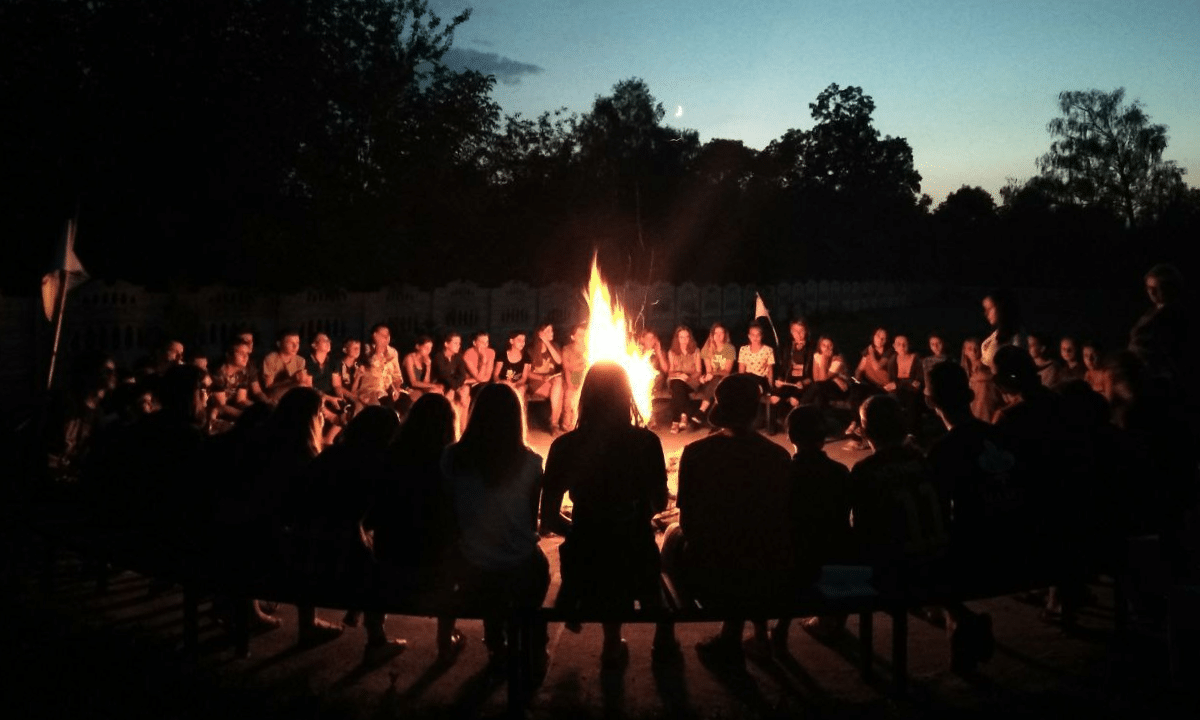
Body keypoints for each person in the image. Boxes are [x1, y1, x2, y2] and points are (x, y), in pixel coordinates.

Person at [540, 361, 674, 668]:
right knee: (648, 546)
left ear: (585, 397)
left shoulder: (565, 445)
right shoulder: (646, 442)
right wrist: (631, 516)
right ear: (626, 395)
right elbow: (658, 502)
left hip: (586, 558)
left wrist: (582, 529)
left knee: (600, 554)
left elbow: (548, 518)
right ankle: (664, 635)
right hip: (636, 554)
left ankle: (612, 642)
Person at [661, 374, 794, 666]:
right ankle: (755, 634)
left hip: (710, 573)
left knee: (672, 532)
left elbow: (690, 522)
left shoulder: (696, 453)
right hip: (766, 567)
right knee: (753, 537)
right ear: (753, 410)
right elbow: (782, 519)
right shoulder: (779, 456)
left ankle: (670, 633)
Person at [441, 384, 549, 674]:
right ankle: (533, 642)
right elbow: (530, 522)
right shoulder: (531, 462)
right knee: (537, 564)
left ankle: (495, 641)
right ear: (517, 418)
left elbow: (449, 512)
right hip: (519, 565)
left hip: (471, 561)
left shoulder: (451, 457)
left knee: (488, 562)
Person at [291, 406, 406, 657]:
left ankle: (308, 625)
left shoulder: (331, 456)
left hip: (306, 552)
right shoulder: (378, 465)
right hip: (342, 557)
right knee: (377, 559)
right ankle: (376, 640)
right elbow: (379, 516)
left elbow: (303, 501)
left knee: (322, 538)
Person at [363, 394, 463, 663]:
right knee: (453, 554)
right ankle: (444, 642)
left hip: (390, 566)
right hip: (435, 572)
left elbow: (371, 517)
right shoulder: (452, 462)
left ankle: (375, 638)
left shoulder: (391, 456)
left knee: (376, 554)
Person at [771, 406, 853, 649]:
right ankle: (830, 620)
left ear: (789, 436)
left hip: (794, 565)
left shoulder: (784, 473)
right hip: (833, 561)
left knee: (792, 545)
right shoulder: (840, 472)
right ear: (824, 437)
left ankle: (780, 629)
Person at [848, 395, 947, 593]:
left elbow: (862, 526)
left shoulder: (866, 469)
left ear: (865, 431)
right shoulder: (924, 460)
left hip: (893, 566)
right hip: (938, 557)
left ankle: (829, 619)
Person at [1129, 263, 1187, 382]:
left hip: (1159, 379)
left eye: (1157, 288)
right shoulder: (1152, 312)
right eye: (1149, 287)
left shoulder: (1175, 314)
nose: (1151, 292)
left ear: (1170, 288)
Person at [848, 327, 893, 436]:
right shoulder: (868, 351)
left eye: (883, 338)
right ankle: (855, 422)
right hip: (870, 383)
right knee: (855, 392)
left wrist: (871, 352)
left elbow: (877, 366)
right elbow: (859, 368)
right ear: (873, 337)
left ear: (886, 340)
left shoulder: (889, 351)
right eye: (878, 336)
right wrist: (857, 378)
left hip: (883, 386)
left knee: (870, 399)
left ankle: (865, 429)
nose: (880, 340)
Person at [737, 322, 779, 431]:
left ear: (762, 336)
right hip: (748, 380)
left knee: (755, 384)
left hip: (761, 380)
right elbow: (741, 370)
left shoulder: (768, 350)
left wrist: (771, 387)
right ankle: (749, 419)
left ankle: (762, 420)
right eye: (753, 335)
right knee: (747, 383)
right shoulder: (743, 350)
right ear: (749, 336)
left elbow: (770, 371)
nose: (755, 338)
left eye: (758, 335)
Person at [527, 322, 566, 433]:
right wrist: (542, 378)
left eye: (552, 330)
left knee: (559, 384)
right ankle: (554, 424)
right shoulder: (531, 350)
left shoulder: (554, 346)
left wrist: (547, 343)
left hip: (553, 382)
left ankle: (554, 424)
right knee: (560, 391)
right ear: (540, 334)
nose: (552, 333)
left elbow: (559, 361)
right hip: (536, 382)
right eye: (548, 331)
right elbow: (527, 373)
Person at [665, 325, 703, 433]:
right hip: (676, 379)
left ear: (690, 338)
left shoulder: (695, 351)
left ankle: (675, 421)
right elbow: (670, 371)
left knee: (677, 389)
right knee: (677, 384)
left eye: (687, 337)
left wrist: (688, 378)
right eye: (681, 337)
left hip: (691, 381)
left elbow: (699, 371)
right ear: (677, 338)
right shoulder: (672, 352)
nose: (684, 340)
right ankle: (684, 416)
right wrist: (679, 375)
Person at [432, 331, 470, 433]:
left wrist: (455, 388)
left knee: (466, 391)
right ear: (446, 344)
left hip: (453, 385)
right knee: (450, 397)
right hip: (440, 384)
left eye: (459, 343)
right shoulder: (438, 357)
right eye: (455, 343)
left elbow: (462, 376)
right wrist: (454, 388)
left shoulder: (458, 357)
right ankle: (448, 428)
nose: (458, 346)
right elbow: (444, 376)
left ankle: (462, 430)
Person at [358, 323, 404, 408]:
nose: (386, 338)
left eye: (388, 335)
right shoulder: (366, 349)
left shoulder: (393, 352)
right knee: (382, 402)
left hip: (388, 390)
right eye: (383, 335)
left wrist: (396, 389)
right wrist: (378, 349)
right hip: (370, 391)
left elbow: (397, 376)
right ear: (375, 336)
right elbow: (371, 365)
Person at [773, 318, 815, 410]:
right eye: (795, 331)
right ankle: (776, 422)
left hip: (803, 382)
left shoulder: (811, 348)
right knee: (775, 398)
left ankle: (794, 421)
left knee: (794, 400)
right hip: (788, 381)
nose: (798, 334)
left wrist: (803, 382)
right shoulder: (788, 347)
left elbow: (812, 375)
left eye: (801, 331)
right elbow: (783, 369)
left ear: (806, 331)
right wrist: (779, 380)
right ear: (791, 332)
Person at [884, 334, 924, 432]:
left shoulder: (916, 358)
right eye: (899, 344)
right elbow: (892, 381)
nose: (902, 347)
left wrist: (899, 384)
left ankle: (912, 434)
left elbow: (918, 382)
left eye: (904, 344)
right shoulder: (892, 360)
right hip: (898, 391)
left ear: (909, 345)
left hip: (913, 392)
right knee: (890, 401)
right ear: (894, 346)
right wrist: (901, 384)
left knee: (911, 401)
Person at [697, 322, 736, 419]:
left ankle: (701, 411)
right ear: (712, 335)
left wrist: (712, 373)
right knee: (715, 381)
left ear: (725, 335)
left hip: (725, 380)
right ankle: (714, 417)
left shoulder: (729, 349)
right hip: (712, 381)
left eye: (721, 333)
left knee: (718, 379)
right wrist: (705, 378)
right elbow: (708, 370)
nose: (718, 336)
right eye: (716, 333)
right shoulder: (707, 349)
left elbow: (727, 371)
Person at [980, 289, 1024, 372]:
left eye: (989, 308)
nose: (986, 313)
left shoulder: (1015, 335)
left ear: (1001, 307)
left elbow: (1017, 366)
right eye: (985, 309)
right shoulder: (996, 334)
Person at [261, 329, 309, 404]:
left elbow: (303, 384)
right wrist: (292, 380)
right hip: (276, 397)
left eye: (297, 343)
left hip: (295, 395)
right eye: (290, 343)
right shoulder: (271, 359)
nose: (295, 346)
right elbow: (269, 387)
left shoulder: (300, 360)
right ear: (279, 344)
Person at [961, 338, 997, 423]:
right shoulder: (965, 370)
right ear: (965, 351)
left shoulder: (987, 368)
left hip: (985, 409)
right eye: (970, 349)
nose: (973, 352)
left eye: (976, 348)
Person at [561, 324, 588, 432]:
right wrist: (570, 383)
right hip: (575, 376)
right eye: (580, 335)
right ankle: (567, 423)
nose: (583, 337)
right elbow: (567, 368)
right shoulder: (567, 349)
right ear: (573, 337)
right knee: (571, 393)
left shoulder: (590, 348)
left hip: (586, 376)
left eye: (584, 335)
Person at [401, 336, 443, 402]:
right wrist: (433, 385)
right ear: (417, 346)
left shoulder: (426, 360)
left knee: (438, 391)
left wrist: (428, 367)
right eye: (426, 348)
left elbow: (425, 383)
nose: (428, 350)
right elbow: (413, 382)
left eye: (430, 348)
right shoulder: (410, 358)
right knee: (425, 394)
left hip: (419, 389)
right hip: (407, 387)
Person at [331, 338, 363, 416]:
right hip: (341, 396)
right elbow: (337, 386)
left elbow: (354, 390)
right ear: (345, 350)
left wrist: (358, 377)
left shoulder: (358, 366)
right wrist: (353, 397)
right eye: (354, 348)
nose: (357, 350)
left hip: (353, 396)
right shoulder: (338, 364)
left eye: (358, 348)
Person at [460, 331, 496, 399]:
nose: (485, 345)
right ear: (474, 343)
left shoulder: (491, 352)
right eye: (482, 342)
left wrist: (468, 380)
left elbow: (487, 377)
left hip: (482, 382)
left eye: (487, 342)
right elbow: (479, 378)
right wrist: (483, 360)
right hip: (471, 385)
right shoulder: (467, 355)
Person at [639, 330, 668, 395]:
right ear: (642, 339)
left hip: (654, 382)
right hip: (640, 380)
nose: (650, 341)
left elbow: (666, 370)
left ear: (656, 340)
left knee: (660, 376)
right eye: (647, 338)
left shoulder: (660, 352)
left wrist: (659, 354)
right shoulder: (637, 352)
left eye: (652, 338)